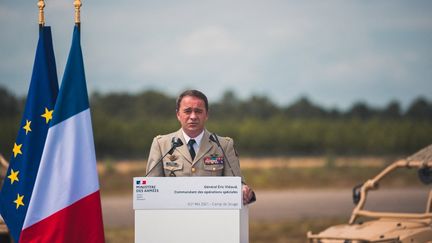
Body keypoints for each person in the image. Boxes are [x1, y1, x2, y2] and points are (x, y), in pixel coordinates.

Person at [146, 89, 256, 204]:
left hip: (212, 215)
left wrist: (243, 189)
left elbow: (236, 183)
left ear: (206, 114)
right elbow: (151, 187)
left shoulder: (224, 145)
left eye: (198, 111)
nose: (193, 116)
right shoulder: (161, 144)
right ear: (178, 114)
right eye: (187, 111)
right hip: (174, 215)